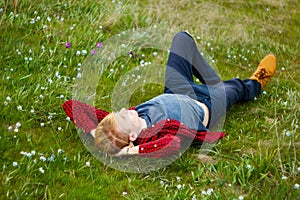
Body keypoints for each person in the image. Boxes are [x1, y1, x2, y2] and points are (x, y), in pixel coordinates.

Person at [62, 32, 276, 158]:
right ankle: (255, 82)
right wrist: (126, 153)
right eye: (125, 116)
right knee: (236, 89)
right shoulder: (159, 134)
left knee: (182, 39)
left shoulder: (118, 128)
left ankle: (215, 83)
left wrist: (95, 132)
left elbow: (73, 106)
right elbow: (170, 146)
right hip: (208, 104)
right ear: (134, 137)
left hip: (177, 90)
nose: (125, 110)